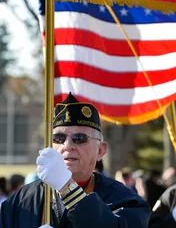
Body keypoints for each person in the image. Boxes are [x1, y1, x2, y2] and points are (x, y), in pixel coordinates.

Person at [0, 93, 151, 228]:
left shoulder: (126, 201)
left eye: (79, 138)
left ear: (100, 151)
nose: (67, 146)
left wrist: (67, 188)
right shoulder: (21, 200)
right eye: (58, 138)